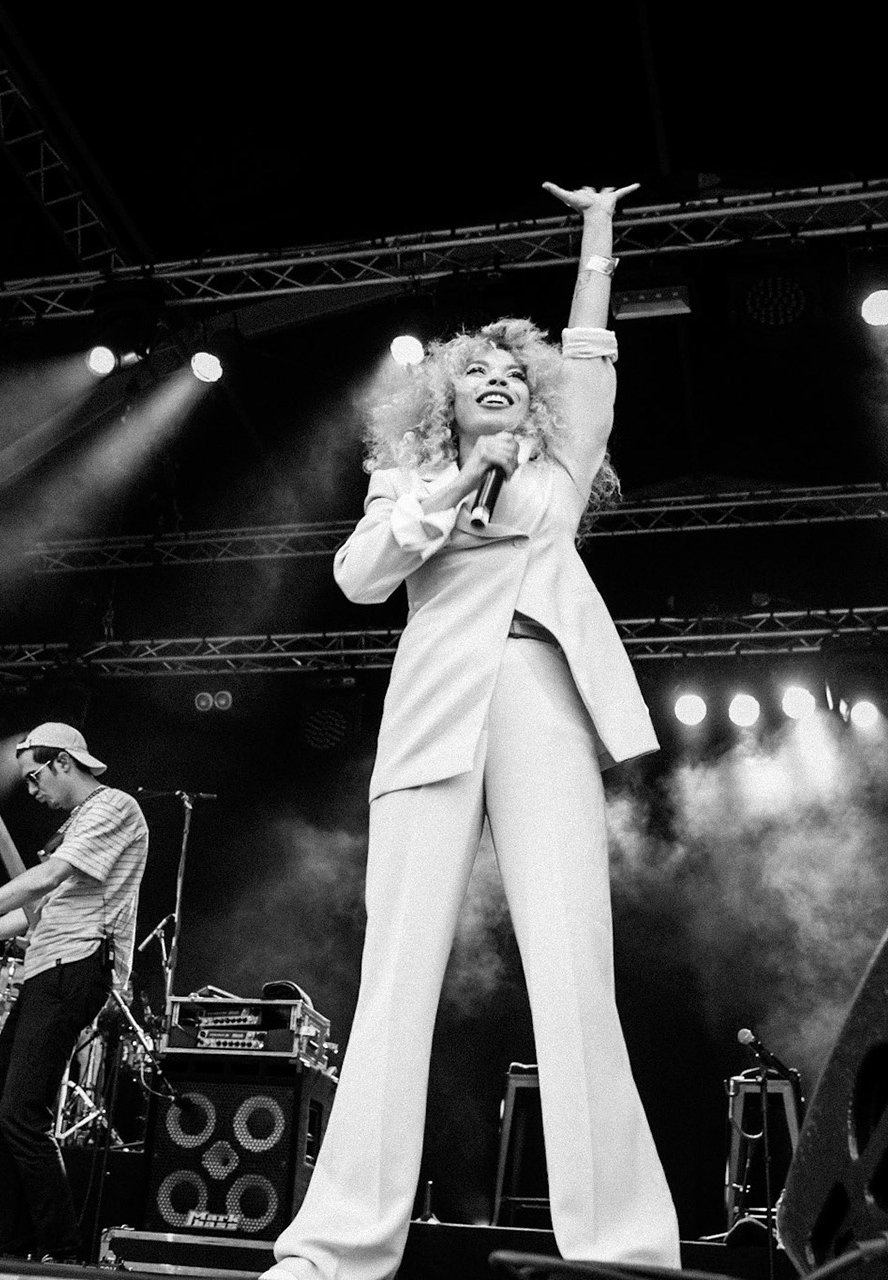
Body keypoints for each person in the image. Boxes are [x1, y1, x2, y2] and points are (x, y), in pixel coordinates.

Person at [262, 183, 679, 1280]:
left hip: (542, 690)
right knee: (395, 968)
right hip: (433, 703)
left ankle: (625, 1245)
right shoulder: (412, 483)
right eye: (476, 379)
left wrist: (596, 235)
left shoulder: (559, 471)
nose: (498, 383)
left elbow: (590, 355)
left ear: (531, 402)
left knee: (573, 959)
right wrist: (450, 487)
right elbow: (358, 577)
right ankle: (338, 1243)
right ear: (445, 407)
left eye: (512, 377)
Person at [0, 722, 148, 1263]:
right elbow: (30, 913)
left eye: (35, 775)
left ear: (64, 761)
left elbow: (46, 879)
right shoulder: (71, 826)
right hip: (47, 968)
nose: (32, 789)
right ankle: (15, 1252)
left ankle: (62, 1255)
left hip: (79, 964)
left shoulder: (114, 807)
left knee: (21, 1114)